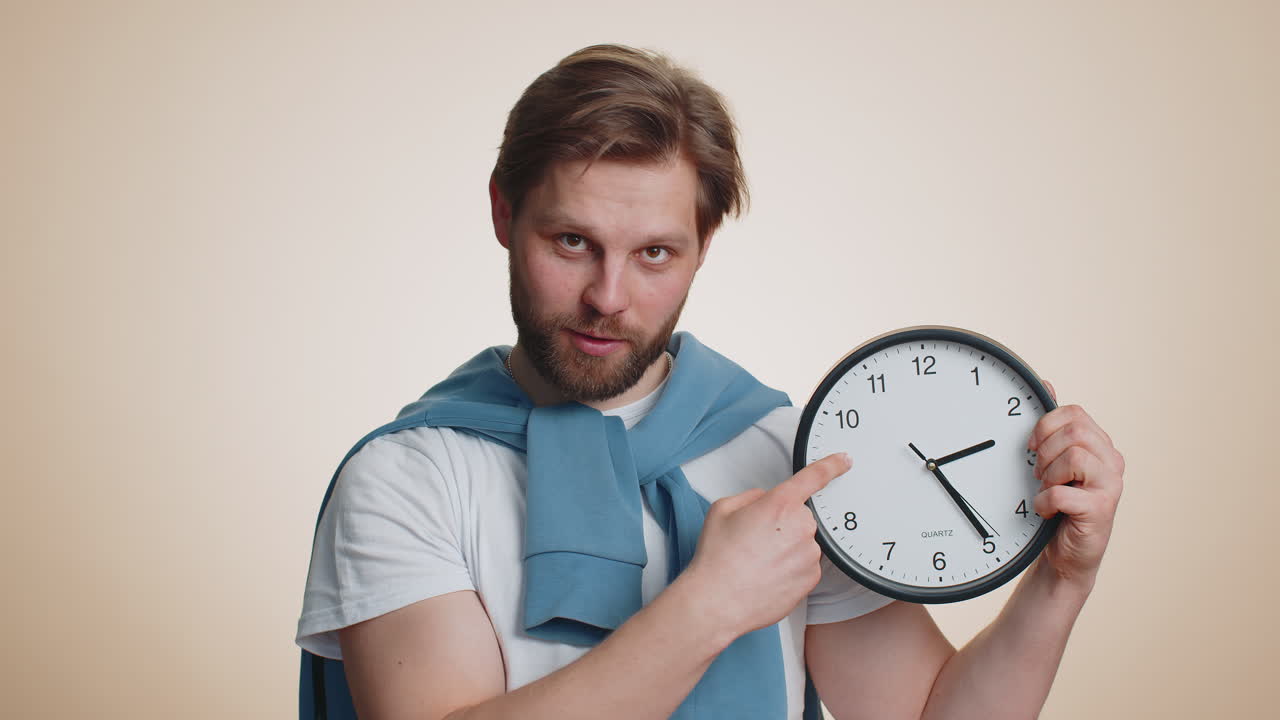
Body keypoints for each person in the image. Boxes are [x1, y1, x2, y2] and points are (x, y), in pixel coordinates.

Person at [295, 44, 1125, 720]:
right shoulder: (407, 479)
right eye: (572, 242)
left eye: (654, 252)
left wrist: (1059, 583)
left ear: (703, 245)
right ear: (504, 214)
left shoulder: (784, 456)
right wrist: (709, 607)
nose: (608, 297)